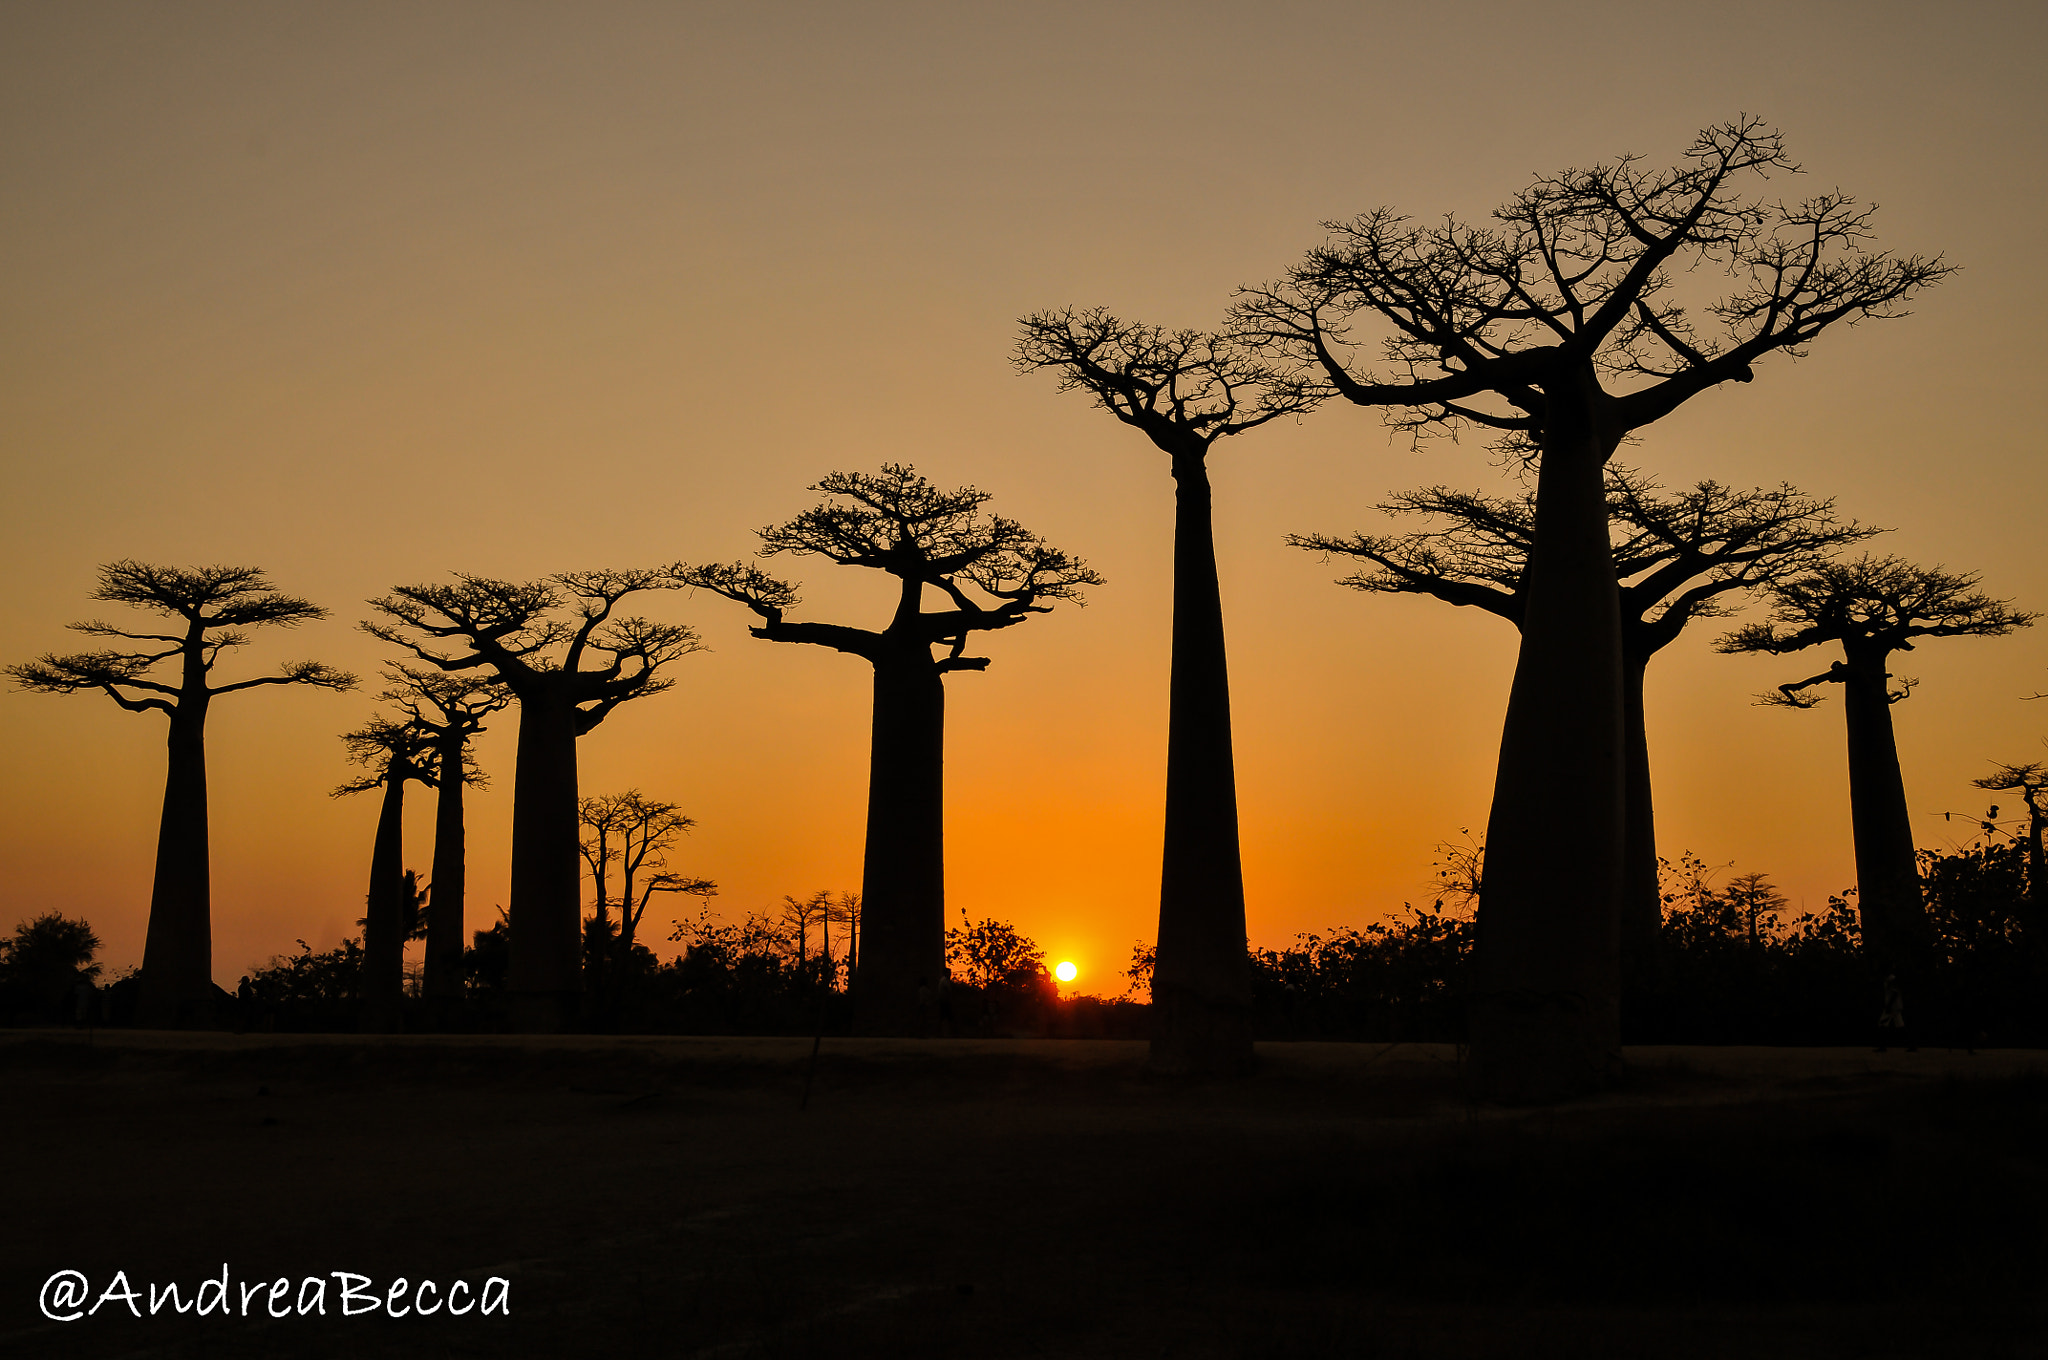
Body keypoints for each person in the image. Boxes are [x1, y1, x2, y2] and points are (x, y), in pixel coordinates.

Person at [1874, 973, 1914, 1052]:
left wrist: (1888, 1006)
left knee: (1882, 1025)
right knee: (1900, 1026)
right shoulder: (1890, 979)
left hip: (1892, 1008)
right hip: (1895, 1008)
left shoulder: (1890, 979)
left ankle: (1882, 1047)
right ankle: (1911, 1045)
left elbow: (1894, 993)